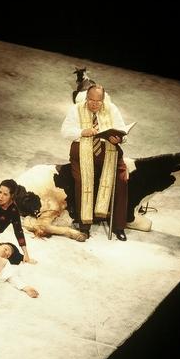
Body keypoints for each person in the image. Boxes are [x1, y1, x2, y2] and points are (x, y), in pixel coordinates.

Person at [61, 84, 130, 241]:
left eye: (98, 101)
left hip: (108, 150)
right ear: (86, 98)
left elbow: (123, 132)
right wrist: (82, 131)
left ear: (103, 100)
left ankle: (118, 226)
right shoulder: (76, 109)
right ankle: (84, 226)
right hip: (82, 150)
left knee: (122, 180)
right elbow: (65, 131)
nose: (94, 104)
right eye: (91, 100)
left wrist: (119, 139)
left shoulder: (112, 109)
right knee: (82, 181)